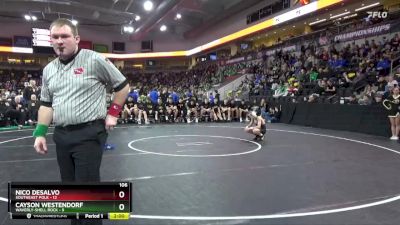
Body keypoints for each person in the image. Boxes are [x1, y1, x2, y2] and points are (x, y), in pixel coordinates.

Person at [33, 18, 129, 225]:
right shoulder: (48, 70)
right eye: (55, 37)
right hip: (61, 135)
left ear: (76, 38)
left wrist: (113, 112)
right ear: (51, 40)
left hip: (89, 133)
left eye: (65, 36)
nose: (60, 41)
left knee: (87, 192)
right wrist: (40, 133)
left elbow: (122, 86)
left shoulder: (94, 60)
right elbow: (46, 105)